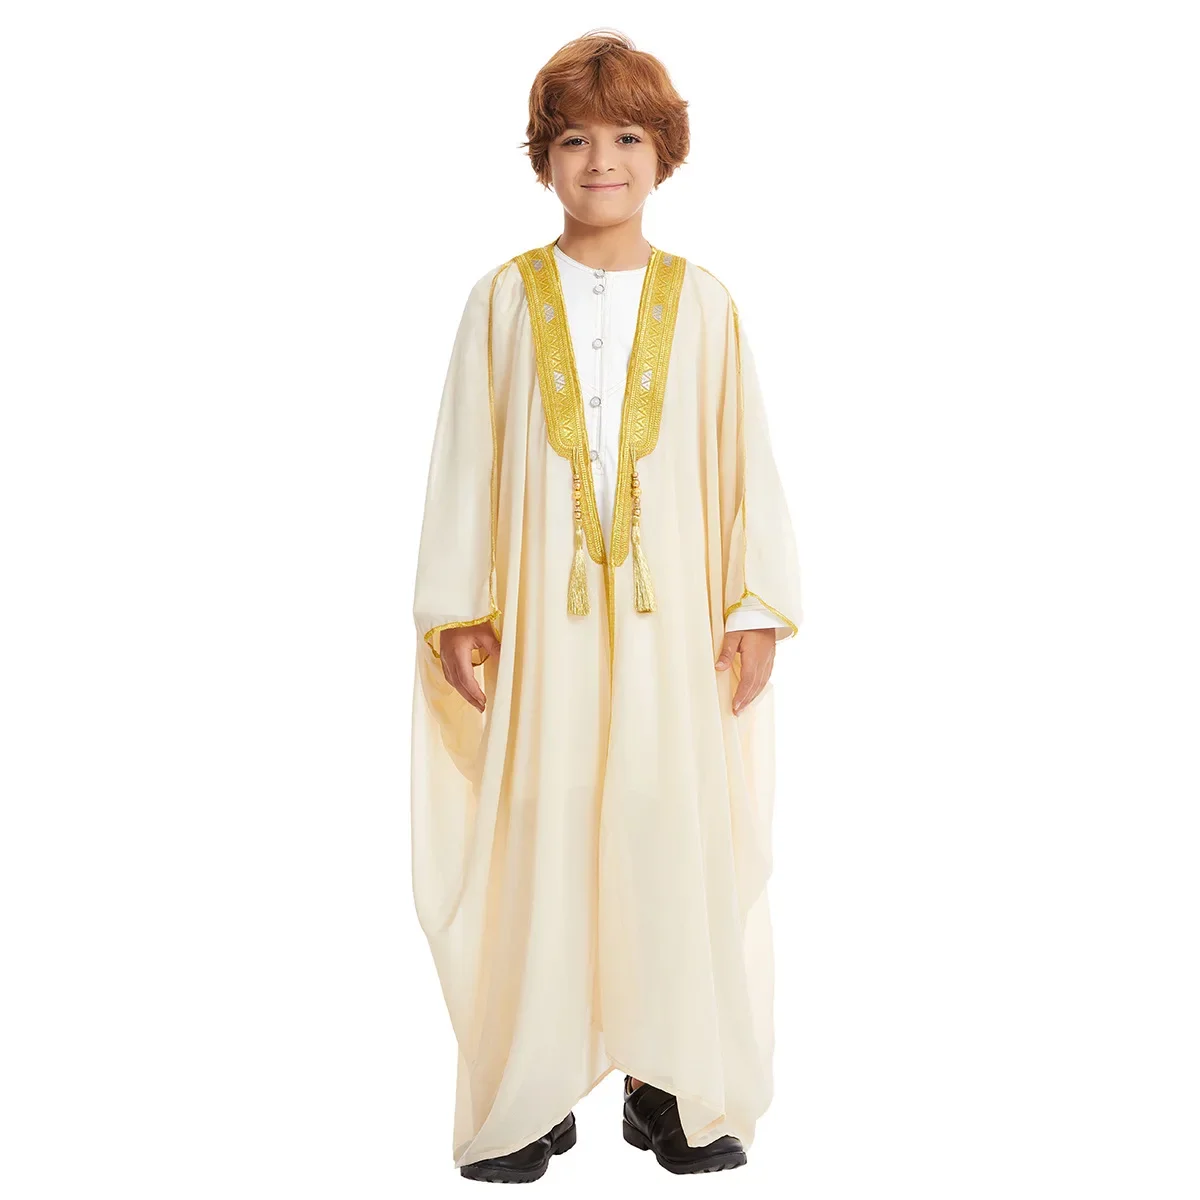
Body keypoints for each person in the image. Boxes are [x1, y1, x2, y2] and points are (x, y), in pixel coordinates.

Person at [411, 29, 803, 1182]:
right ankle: (529, 1089)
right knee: (543, 834)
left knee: (665, 831)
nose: (601, 162)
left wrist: (753, 606)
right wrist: (460, 607)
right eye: (576, 139)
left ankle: (668, 1083)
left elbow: (742, 462)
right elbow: (465, 461)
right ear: (544, 156)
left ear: (663, 151)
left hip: (673, 636)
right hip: (544, 635)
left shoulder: (706, 305)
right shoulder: (501, 301)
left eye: (627, 136)